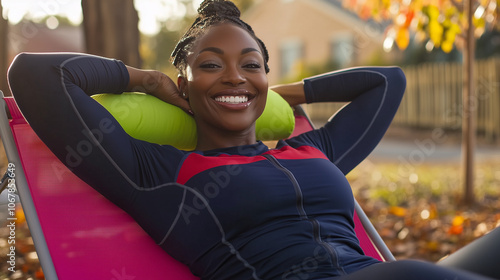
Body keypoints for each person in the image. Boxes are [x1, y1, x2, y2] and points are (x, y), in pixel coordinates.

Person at [7, 0, 500, 279]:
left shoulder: (311, 151)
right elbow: (35, 76)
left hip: (379, 275)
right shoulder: (158, 174)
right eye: (210, 65)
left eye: (250, 64)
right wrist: (149, 81)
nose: (233, 76)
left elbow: (387, 81)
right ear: (183, 82)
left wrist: (270, 94)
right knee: (408, 274)